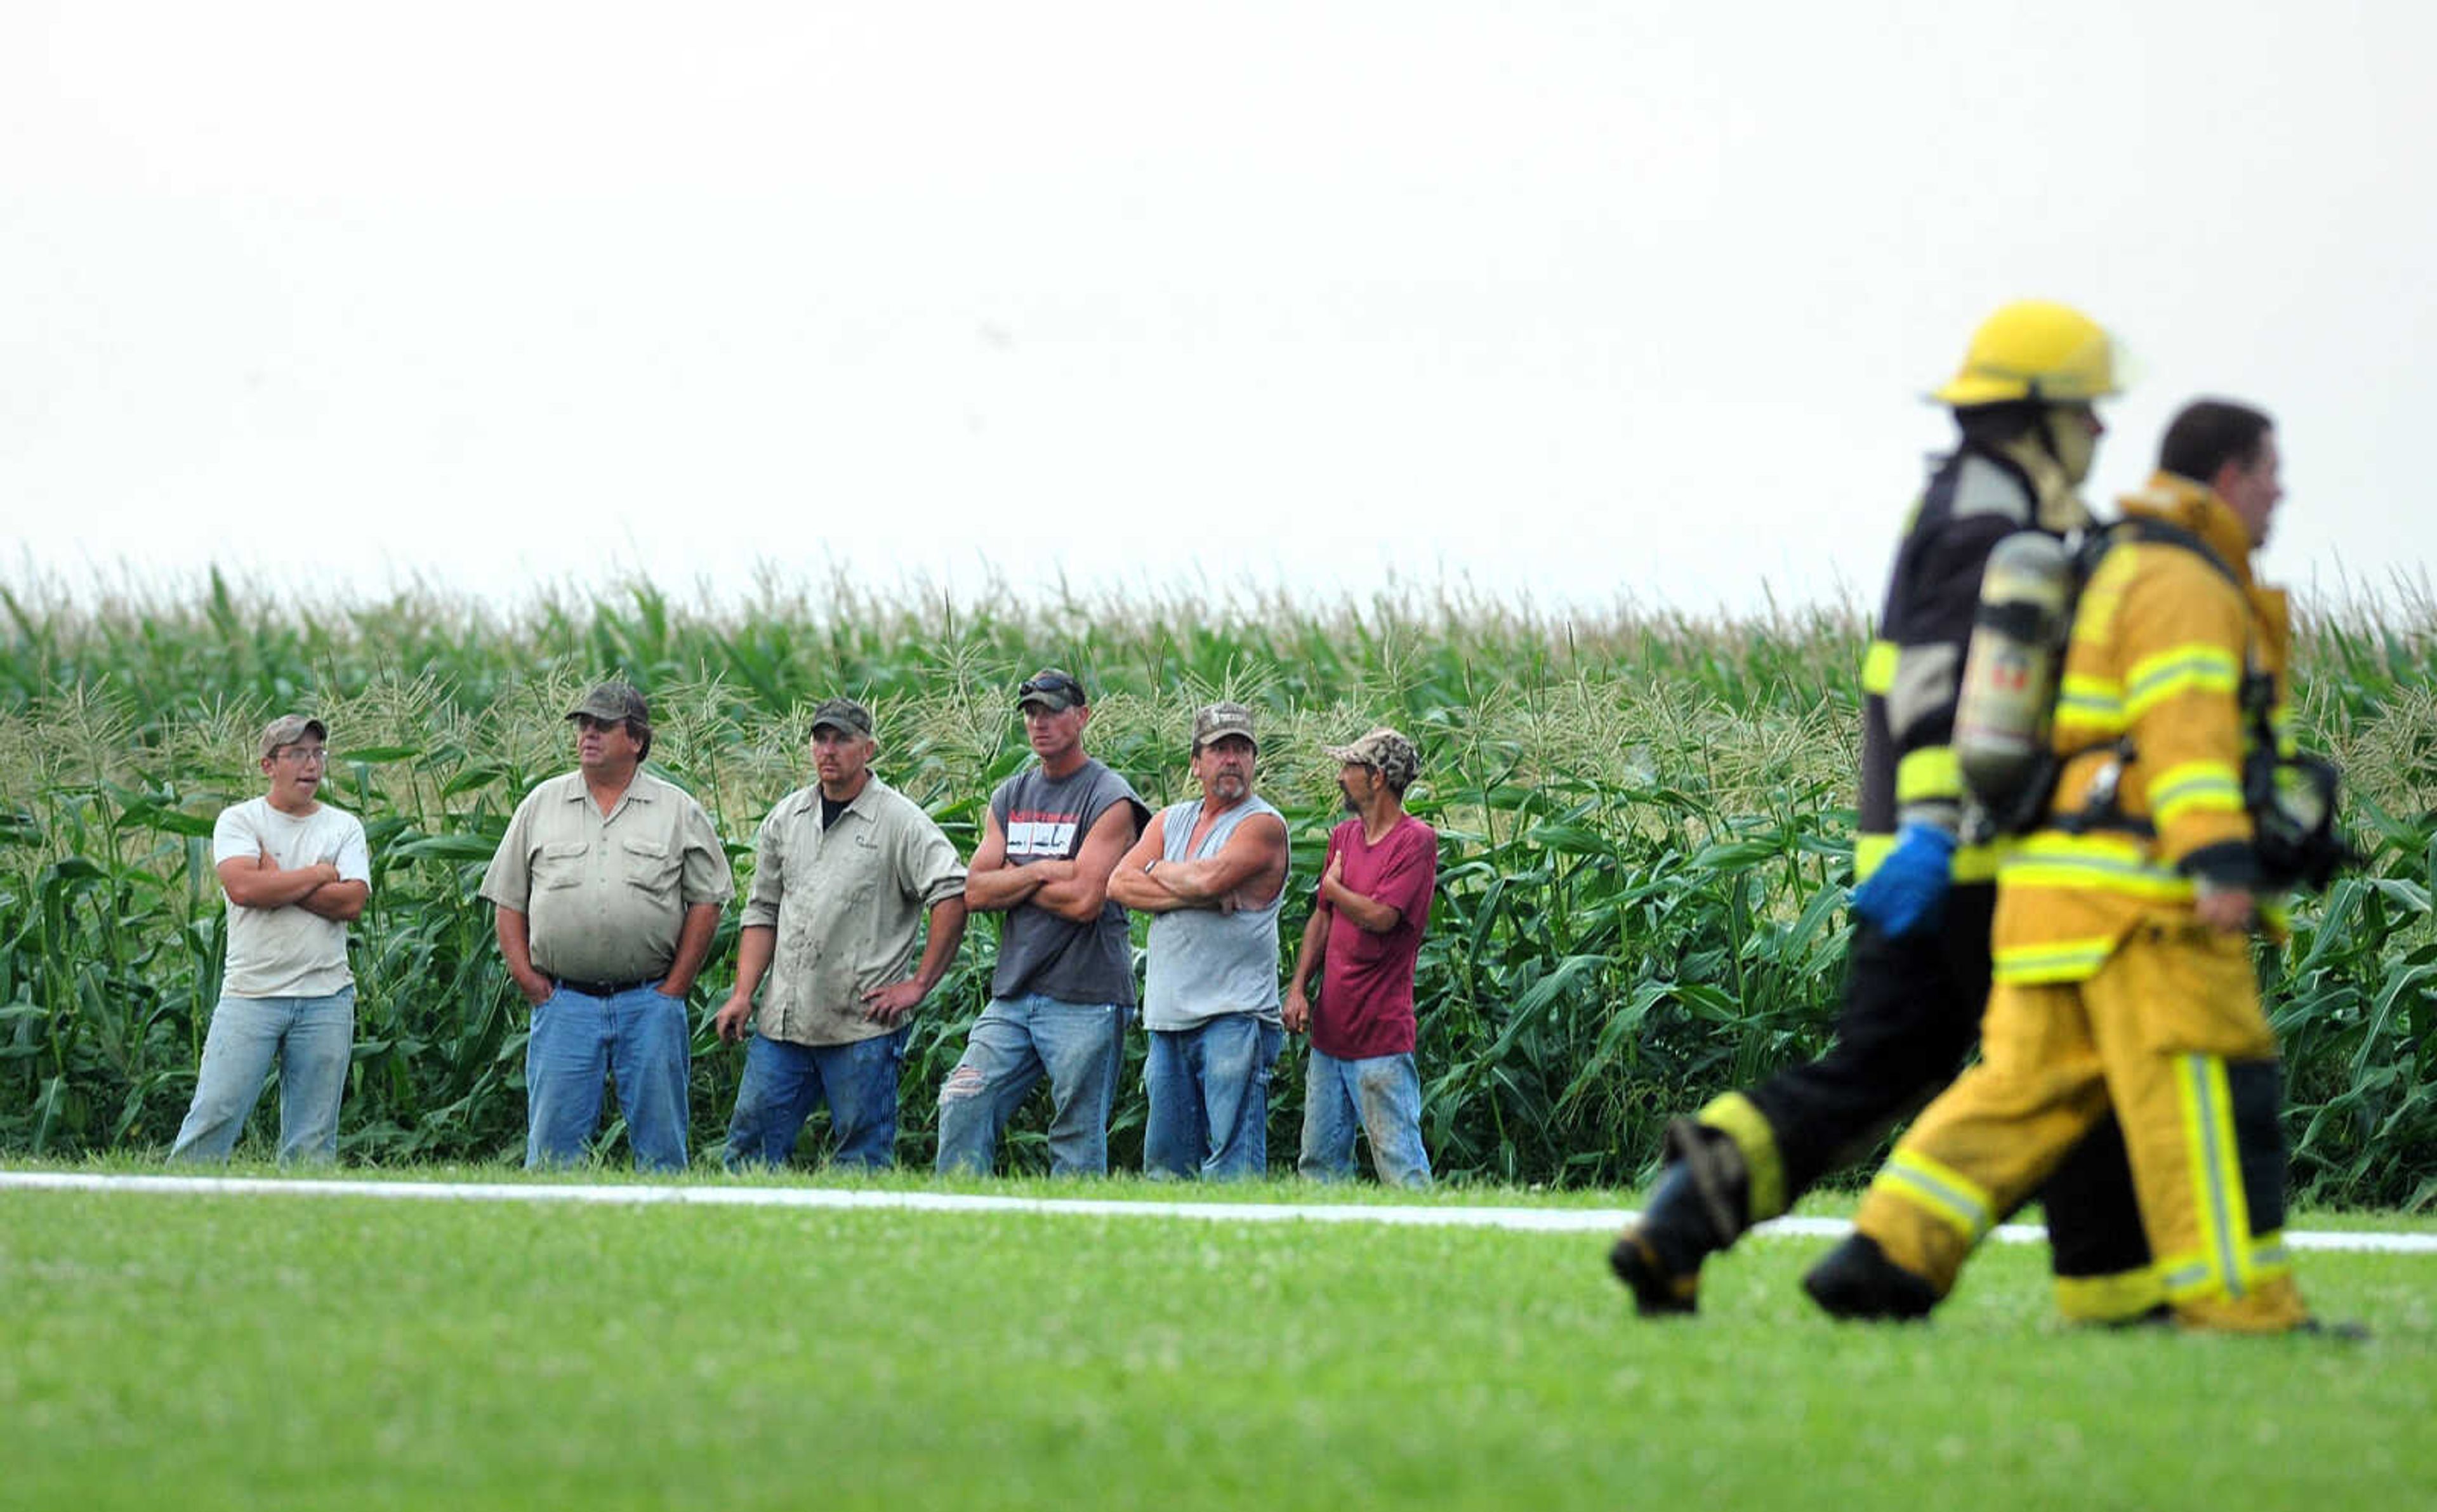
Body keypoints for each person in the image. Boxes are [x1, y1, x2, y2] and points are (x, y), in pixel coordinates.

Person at [1609, 299, 2155, 1319]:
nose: (2102, 431)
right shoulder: (1987, 519)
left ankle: (1681, 1217)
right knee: (2073, 1058)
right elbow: (1939, 686)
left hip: (1924, 853)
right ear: (2033, 415)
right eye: (2088, 409)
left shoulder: (1967, 504)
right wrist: (1940, 830)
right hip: (1967, 856)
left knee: (1879, 1065)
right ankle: (2114, 1290)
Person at [1807, 400, 2348, 1334]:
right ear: (2225, 475)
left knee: (2020, 1095)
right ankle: (2245, 1306)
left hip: (2051, 897)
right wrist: (2219, 862)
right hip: (2144, 905)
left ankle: (1886, 1252)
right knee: (2210, 1091)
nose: (2281, 490)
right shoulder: (2183, 580)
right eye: (2270, 469)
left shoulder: (2109, 559)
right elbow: (2187, 738)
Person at [480, 682, 730, 1171]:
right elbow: (508, 900)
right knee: (553, 1152)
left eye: (602, 726)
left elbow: (708, 899)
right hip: (564, 1004)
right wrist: (530, 982)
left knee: (662, 1152)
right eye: (583, 725)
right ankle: (548, 1240)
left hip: (649, 1004)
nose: (588, 735)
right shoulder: (541, 804)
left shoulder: (677, 809)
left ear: (636, 739)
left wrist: (675, 988)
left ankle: (664, 1240)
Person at [713, 697, 968, 1171]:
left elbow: (952, 891)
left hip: (862, 1024)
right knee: (749, 1152)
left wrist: (918, 984)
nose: (828, 750)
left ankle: (862, 1240)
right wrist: (743, 993)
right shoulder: (787, 818)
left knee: (863, 1159)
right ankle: (741, 1236)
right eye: (820, 738)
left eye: (842, 739)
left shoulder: (900, 821)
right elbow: (762, 910)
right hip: (784, 1022)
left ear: (868, 748)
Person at [934, 669, 1147, 1177]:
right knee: (963, 1098)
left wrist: (1016, 875)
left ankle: (1071, 1239)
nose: (1039, 722)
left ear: (1082, 716)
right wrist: (1046, 869)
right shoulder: (1010, 795)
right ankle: (957, 1220)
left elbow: (1084, 900)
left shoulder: (1110, 796)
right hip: (1013, 993)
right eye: (1031, 712)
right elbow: (976, 890)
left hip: (1087, 994)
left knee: (1076, 1131)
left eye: (1051, 710)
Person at [169, 714, 371, 1164]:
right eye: (297, 754)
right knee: (215, 1113)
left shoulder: (344, 826)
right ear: (268, 765)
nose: (311, 765)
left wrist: (279, 880)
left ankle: (305, 1226)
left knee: (313, 1138)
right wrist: (319, 875)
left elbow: (352, 903)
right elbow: (245, 889)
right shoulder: (239, 820)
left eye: (318, 753)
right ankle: (172, 1206)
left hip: (326, 996)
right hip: (251, 994)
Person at [1110, 702, 1291, 1180]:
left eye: (1241, 750)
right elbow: (1118, 885)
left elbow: (1210, 879)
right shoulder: (1171, 820)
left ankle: (1239, 1252)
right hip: (1168, 1018)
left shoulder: (1263, 824)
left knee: (1232, 1167)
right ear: (1196, 762)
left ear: (1253, 761)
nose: (1231, 759)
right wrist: (1192, 888)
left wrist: (1157, 871)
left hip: (1233, 1016)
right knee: (1168, 1168)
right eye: (1219, 750)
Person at [1285, 727, 1437, 1188]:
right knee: (1319, 1164)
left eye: (1348, 767)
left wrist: (1333, 888)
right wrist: (1297, 989)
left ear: (1376, 778)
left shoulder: (1416, 841)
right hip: (1331, 1035)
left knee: (1400, 1162)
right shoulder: (1344, 836)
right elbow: (1322, 920)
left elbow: (1382, 916)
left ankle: (1429, 1247)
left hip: (1381, 1038)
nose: (1339, 777)